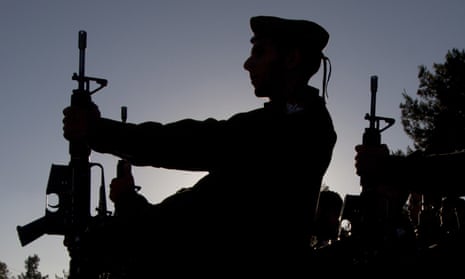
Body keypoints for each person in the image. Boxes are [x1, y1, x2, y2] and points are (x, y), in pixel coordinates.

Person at [63, 15, 337, 276]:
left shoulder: (297, 128)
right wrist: (130, 204)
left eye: (260, 53)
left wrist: (100, 132)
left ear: (291, 58)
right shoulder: (287, 123)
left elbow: (196, 145)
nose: (247, 64)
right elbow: (203, 208)